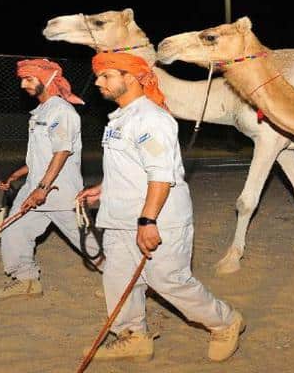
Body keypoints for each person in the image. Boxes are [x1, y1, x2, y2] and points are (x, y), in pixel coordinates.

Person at [77, 52, 244, 363]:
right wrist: (104, 188)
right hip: (120, 217)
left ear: (131, 78)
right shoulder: (122, 117)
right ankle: (133, 336)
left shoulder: (151, 120)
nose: (98, 82)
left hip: (157, 218)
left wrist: (147, 220)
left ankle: (225, 322)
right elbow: (133, 166)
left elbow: (161, 174)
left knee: (169, 281)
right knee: (118, 280)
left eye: (106, 75)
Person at [0, 59, 100, 300]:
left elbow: (62, 152)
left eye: (29, 79)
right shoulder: (42, 111)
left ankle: (128, 280)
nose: (23, 85)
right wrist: (17, 174)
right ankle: (26, 281)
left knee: (88, 245)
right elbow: (42, 156)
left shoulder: (61, 111)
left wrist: (42, 188)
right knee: (13, 230)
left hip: (58, 193)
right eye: (22, 80)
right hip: (35, 189)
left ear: (47, 80)